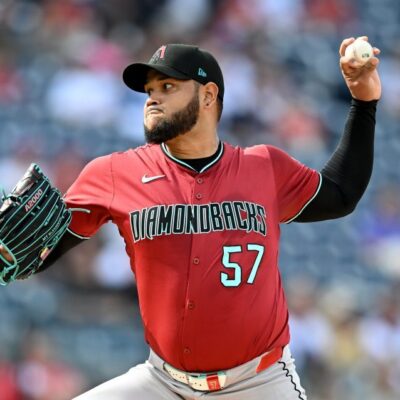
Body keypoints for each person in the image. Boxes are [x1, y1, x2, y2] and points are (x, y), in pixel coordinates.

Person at [0, 38, 381, 399]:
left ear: (208, 95)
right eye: (149, 90)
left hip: (258, 382)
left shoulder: (264, 166)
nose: (152, 99)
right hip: (162, 381)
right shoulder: (114, 173)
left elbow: (341, 194)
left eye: (168, 87)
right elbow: (38, 249)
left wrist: (364, 103)